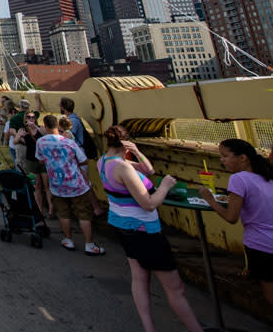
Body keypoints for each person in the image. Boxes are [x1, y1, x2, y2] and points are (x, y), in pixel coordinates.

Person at [99, 125, 204, 332]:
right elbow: (148, 203)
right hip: (144, 230)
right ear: (125, 143)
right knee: (175, 288)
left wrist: (137, 152)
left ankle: (149, 328)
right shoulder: (123, 167)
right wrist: (164, 186)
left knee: (139, 278)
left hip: (122, 225)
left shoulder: (105, 162)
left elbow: (148, 170)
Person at [200, 138, 273, 306]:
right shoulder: (267, 176)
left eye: (225, 156)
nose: (222, 160)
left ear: (242, 158)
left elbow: (231, 217)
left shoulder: (238, 179)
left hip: (260, 245)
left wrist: (210, 200)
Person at [35, 115, 104, 255]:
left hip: (57, 184)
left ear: (45, 126)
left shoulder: (41, 142)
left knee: (63, 213)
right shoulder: (68, 142)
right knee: (84, 215)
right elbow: (84, 160)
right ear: (57, 125)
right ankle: (89, 244)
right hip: (75, 183)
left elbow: (40, 160)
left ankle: (68, 240)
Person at [60, 96, 103, 216]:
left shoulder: (72, 121)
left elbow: (68, 137)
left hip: (78, 153)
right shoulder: (75, 119)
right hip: (79, 151)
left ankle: (94, 208)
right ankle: (93, 208)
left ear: (63, 108)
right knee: (83, 182)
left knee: (84, 182)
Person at [19, 113, 52, 217]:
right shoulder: (23, 130)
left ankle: (51, 210)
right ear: (25, 119)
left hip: (43, 160)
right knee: (36, 186)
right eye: (28, 117)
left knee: (47, 186)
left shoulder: (41, 128)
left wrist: (35, 127)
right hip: (31, 161)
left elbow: (46, 136)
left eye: (33, 117)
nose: (31, 119)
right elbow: (16, 140)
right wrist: (20, 137)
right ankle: (39, 210)